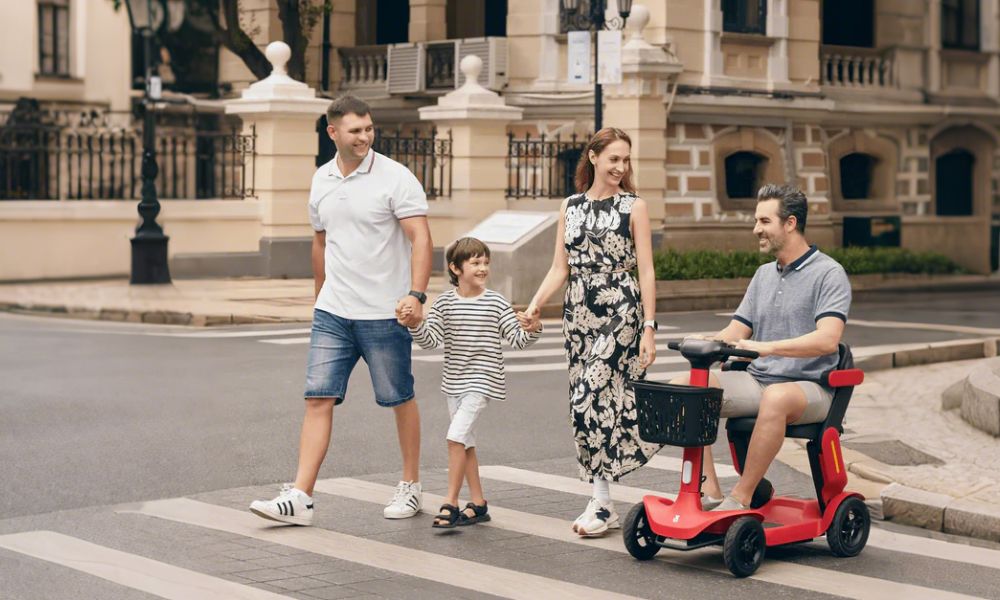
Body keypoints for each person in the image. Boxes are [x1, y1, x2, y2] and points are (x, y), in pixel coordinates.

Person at [250, 94, 433, 525]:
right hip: (333, 312)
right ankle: (300, 497)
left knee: (399, 398)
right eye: (355, 130)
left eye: (369, 128)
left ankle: (410, 486)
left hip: (384, 313)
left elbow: (421, 238)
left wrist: (417, 295)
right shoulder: (322, 179)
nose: (365, 137)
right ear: (332, 132)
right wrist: (320, 296)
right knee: (318, 398)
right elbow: (320, 241)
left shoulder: (396, 177)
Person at [673, 183, 852, 512]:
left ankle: (741, 496)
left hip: (810, 387)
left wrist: (768, 348)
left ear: (790, 224)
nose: (756, 229)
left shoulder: (829, 274)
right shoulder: (763, 275)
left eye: (764, 221)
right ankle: (709, 489)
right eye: (757, 221)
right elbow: (735, 331)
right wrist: (703, 341)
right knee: (686, 388)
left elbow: (828, 339)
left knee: (776, 397)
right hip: (759, 381)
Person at [519, 128, 661, 537]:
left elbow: (647, 271)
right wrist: (533, 305)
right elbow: (559, 268)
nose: (621, 167)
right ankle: (605, 497)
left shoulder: (634, 207)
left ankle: (600, 502)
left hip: (621, 306)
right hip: (578, 312)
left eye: (626, 160)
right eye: (614, 158)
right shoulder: (570, 206)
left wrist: (648, 328)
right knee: (594, 405)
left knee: (588, 398)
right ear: (594, 157)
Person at [403, 237, 542, 528]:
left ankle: (449, 503)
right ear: (456, 268)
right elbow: (430, 341)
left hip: (483, 382)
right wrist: (415, 324)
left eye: (485, 263)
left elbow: (517, 340)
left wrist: (533, 328)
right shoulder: (444, 303)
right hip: (454, 383)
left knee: (455, 438)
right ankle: (478, 503)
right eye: (475, 263)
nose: (483, 268)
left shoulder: (495, 302)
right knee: (465, 443)